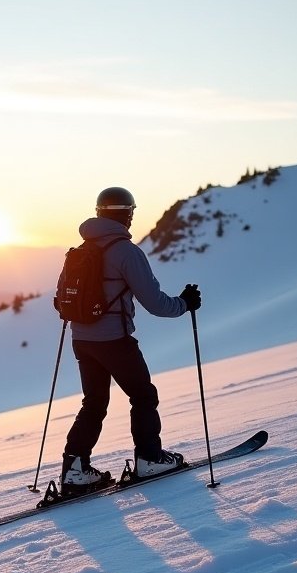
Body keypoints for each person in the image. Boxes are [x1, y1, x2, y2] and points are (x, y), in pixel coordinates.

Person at [60, 186, 201, 493]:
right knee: (143, 396)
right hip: (115, 339)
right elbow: (155, 303)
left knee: (94, 403)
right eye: (132, 213)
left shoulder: (78, 251)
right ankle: (149, 459)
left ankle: (74, 470)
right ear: (125, 214)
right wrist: (185, 303)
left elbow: (61, 302)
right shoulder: (126, 252)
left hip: (82, 339)